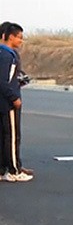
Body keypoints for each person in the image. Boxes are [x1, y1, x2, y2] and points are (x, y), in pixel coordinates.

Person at [0, 23, 33, 182]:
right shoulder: (8, 55)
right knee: (12, 136)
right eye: (19, 37)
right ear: (10, 36)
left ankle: (3, 168)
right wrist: (14, 97)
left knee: (3, 136)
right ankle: (13, 169)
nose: (21, 41)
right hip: (7, 102)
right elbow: (3, 81)